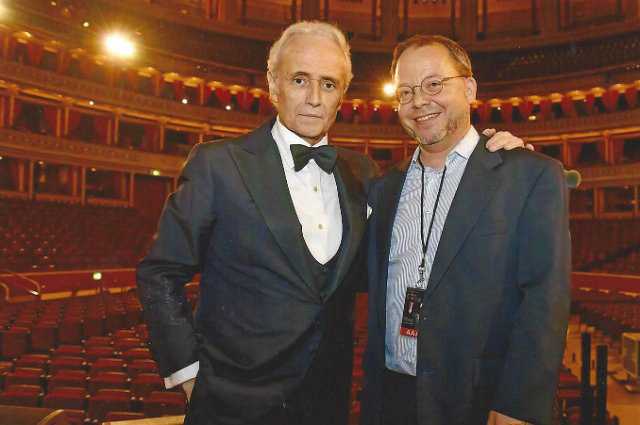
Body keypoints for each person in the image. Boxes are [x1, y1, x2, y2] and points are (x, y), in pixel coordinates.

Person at [137, 22, 526, 425]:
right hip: (231, 403)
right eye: (299, 80)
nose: (312, 99)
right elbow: (159, 271)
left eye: (328, 84)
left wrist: (494, 158)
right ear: (273, 85)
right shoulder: (218, 164)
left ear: (342, 93)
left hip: (327, 402)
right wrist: (187, 372)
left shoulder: (363, 174)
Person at [361, 35, 571, 425]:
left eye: (434, 84)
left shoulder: (528, 175)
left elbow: (545, 300)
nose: (419, 101)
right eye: (405, 92)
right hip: (390, 400)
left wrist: (517, 406)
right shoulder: (384, 188)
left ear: (470, 88)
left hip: (480, 401)